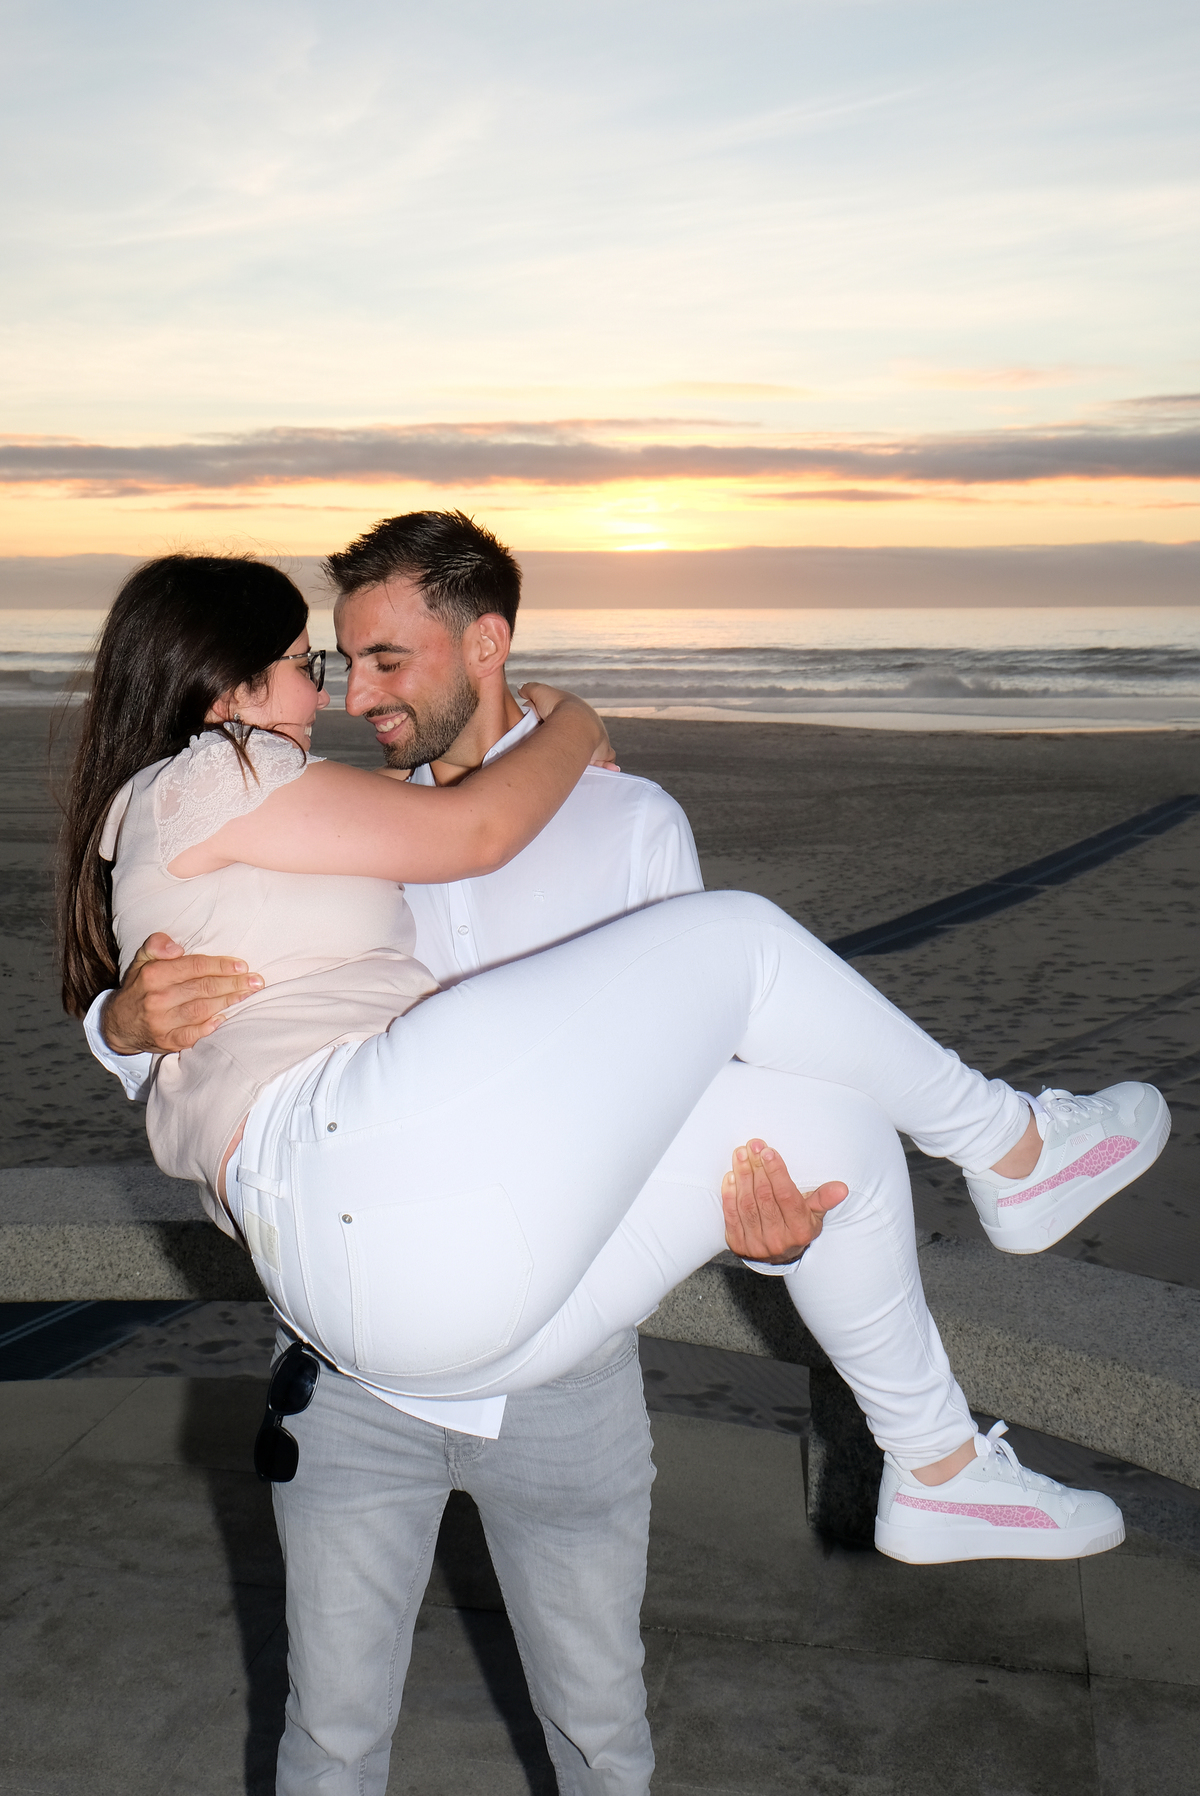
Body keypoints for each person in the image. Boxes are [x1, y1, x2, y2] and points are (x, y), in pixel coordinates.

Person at [63, 537, 1167, 1794]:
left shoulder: (606, 822)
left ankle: (937, 1462)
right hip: (354, 1327)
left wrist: (774, 1225)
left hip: (523, 1332)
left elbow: (714, 1097)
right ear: (224, 688)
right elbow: (445, 856)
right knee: (741, 936)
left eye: (377, 659)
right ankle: (1013, 1144)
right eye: (319, 662)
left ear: (486, 643)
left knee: (839, 1134)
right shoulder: (286, 797)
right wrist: (120, 1023)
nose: (349, 694)